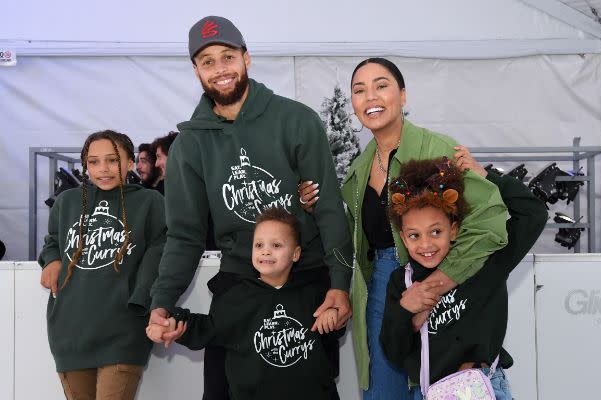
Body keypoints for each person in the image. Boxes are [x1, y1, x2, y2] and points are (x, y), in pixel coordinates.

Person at [147, 16, 353, 400]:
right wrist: (162, 301)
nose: (220, 69)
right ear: (196, 71)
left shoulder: (295, 121)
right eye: (207, 61)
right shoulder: (190, 146)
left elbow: (328, 211)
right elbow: (184, 235)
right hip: (239, 286)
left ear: (247, 58)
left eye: (227, 56)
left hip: (306, 284)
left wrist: (340, 286)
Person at [299, 58, 509, 399]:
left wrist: (439, 285)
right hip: (382, 294)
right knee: (384, 391)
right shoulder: (358, 170)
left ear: (403, 96)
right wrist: (312, 209)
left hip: (445, 290)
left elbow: (489, 221)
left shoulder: (439, 150)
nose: (371, 97)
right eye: (359, 90)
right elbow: (347, 242)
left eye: (381, 85)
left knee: (441, 388)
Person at [379, 156, 547, 399]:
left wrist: (487, 178)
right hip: (431, 392)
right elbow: (394, 352)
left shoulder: (487, 262)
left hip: (485, 385)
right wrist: (405, 309)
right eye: (414, 236)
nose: (426, 244)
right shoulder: (402, 282)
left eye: (436, 231)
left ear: (454, 230)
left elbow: (534, 214)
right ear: (403, 238)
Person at [147, 207, 344, 400]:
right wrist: (174, 322)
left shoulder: (315, 294)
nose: (266, 251)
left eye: (276, 245)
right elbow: (206, 328)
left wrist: (333, 316)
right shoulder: (236, 298)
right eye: (259, 245)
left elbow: (334, 330)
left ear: (295, 253)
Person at [38, 130, 166, 400]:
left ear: (130, 162)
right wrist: (52, 260)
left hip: (123, 330)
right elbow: (52, 241)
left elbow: (160, 252)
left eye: (112, 160)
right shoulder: (68, 202)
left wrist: (140, 301)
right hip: (70, 330)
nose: (103, 169)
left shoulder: (151, 202)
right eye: (93, 162)